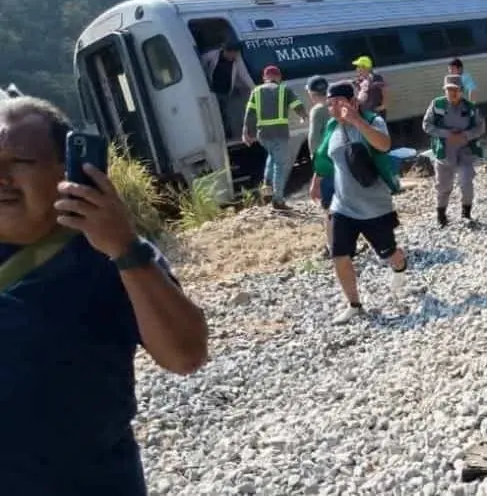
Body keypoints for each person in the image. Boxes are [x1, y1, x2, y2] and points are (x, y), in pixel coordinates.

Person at [0, 95, 208, 494]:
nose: (1, 175)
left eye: (19, 161)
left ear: (67, 170)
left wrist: (125, 249)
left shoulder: (108, 252)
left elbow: (186, 356)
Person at [311, 81, 419, 325]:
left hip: (374, 207)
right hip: (342, 206)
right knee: (339, 254)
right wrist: (316, 179)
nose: (334, 109)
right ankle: (354, 305)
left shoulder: (372, 122)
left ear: (353, 102)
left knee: (389, 254)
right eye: (329, 104)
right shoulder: (332, 128)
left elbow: (384, 144)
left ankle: (399, 269)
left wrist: (356, 121)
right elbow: (324, 156)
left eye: (338, 103)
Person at [421, 75, 486, 228]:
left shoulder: (470, 107)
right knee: (443, 186)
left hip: (465, 150)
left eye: (455, 90)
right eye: (449, 89)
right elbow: (426, 125)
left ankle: (466, 214)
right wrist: (446, 134)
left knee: (466, 181)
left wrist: (465, 135)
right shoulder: (437, 104)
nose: (452, 93)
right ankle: (441, 217)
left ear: (462, 91)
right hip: (444, 151)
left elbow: (481, 127)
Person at [243, 65, 307, 210]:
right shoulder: (284, 89)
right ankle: (278, 200)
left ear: (264, 78)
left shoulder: (256, 91)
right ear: (279, 77)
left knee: (271, 157)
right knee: (280, 166)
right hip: (280, 133)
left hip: (263, 135)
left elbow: (250, 113)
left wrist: (247, 133)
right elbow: (297, 105)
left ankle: (266, 186)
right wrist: (303, 116)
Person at [200, 40, 255, 139]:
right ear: (226, 51)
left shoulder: (237, 59)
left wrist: (254, 89)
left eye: (236, 54)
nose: (234, 56)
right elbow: (200, 64)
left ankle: (228, 135)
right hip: (213, 91)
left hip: (226, 92)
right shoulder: (212, 55)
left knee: (227, 114)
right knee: (216, 114)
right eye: (233, 54)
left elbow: (244, 75)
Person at [306, 76, 334, 256]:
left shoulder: (318, 110)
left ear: (311, 92)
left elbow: (315, 142)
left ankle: (333, 246)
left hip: (327, 163)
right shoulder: (337, 105)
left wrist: (317, 171)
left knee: (329, 206)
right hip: (344, 160)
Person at [352, 55, 388, 120]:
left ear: (366, 68)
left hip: (376, 113)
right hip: (365, 113)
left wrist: (383, 106)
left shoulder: (376, 78)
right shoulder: (359, 80)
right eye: (357, 67)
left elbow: (384, 91)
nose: (357, 69)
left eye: (359, 67)